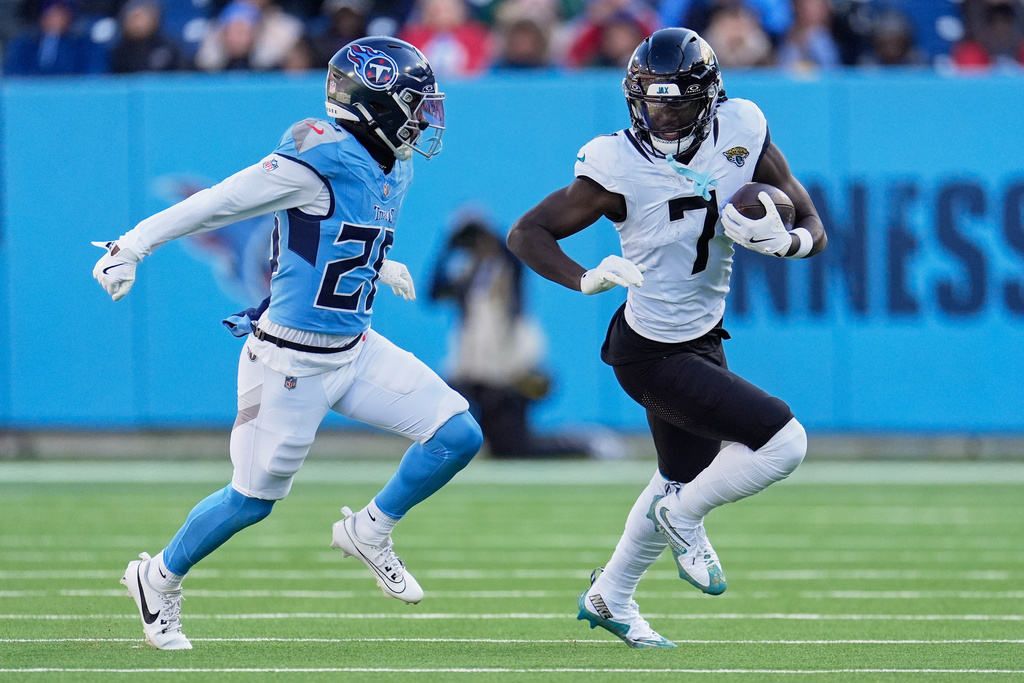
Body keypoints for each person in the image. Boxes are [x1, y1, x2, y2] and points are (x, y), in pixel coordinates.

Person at [92, 37, 483, 650]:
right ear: (375, 103)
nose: (424, 118)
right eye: (415, 104)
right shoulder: (317, 155)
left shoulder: (393, 163)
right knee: (251, 501)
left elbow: (327, 235)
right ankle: (157, 577)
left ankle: (370, 530)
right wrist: (133, 245)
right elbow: (217, 204)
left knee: (458, 434)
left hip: (354, 349)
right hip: (288, 361)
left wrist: (378, 264)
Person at [506, 27, 826, 648]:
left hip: (702, 336)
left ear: (709, 99)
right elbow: (527, 233)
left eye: (678, 103)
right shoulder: (616, 162)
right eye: (653, 102)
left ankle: (611, 595)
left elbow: (812, 221)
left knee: (679, 473)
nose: (664, 116)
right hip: (649, 350)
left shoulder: (742, 129)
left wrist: (789, 242)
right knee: (783, 442)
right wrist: (584, 278)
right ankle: (682, 518)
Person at [428, 212, 604, 458]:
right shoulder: (469, 275)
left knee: (515, 447)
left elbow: (512, 253)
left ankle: (585, 445)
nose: (472, 247)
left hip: (507, 365)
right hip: (477, 370)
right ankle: (581, 444)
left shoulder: (507, 268)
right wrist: (445, 248)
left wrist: (483, 231)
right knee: (500, 446)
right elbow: (433, 294)